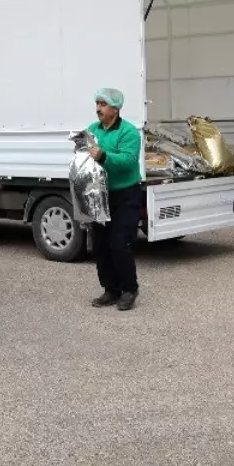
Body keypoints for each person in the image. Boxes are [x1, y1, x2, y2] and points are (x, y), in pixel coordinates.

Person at [87, 88, 144, 311]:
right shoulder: (92, 130)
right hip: (99, 194)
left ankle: (129, 289)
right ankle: (110, 289)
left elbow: (128, 162)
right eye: (97, 103)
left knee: (120, 243)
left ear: (116, 108)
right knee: (100, 245)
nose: (98, 108)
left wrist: (103, 156)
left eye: (103, 104)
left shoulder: (129, 132)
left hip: (126, 194)